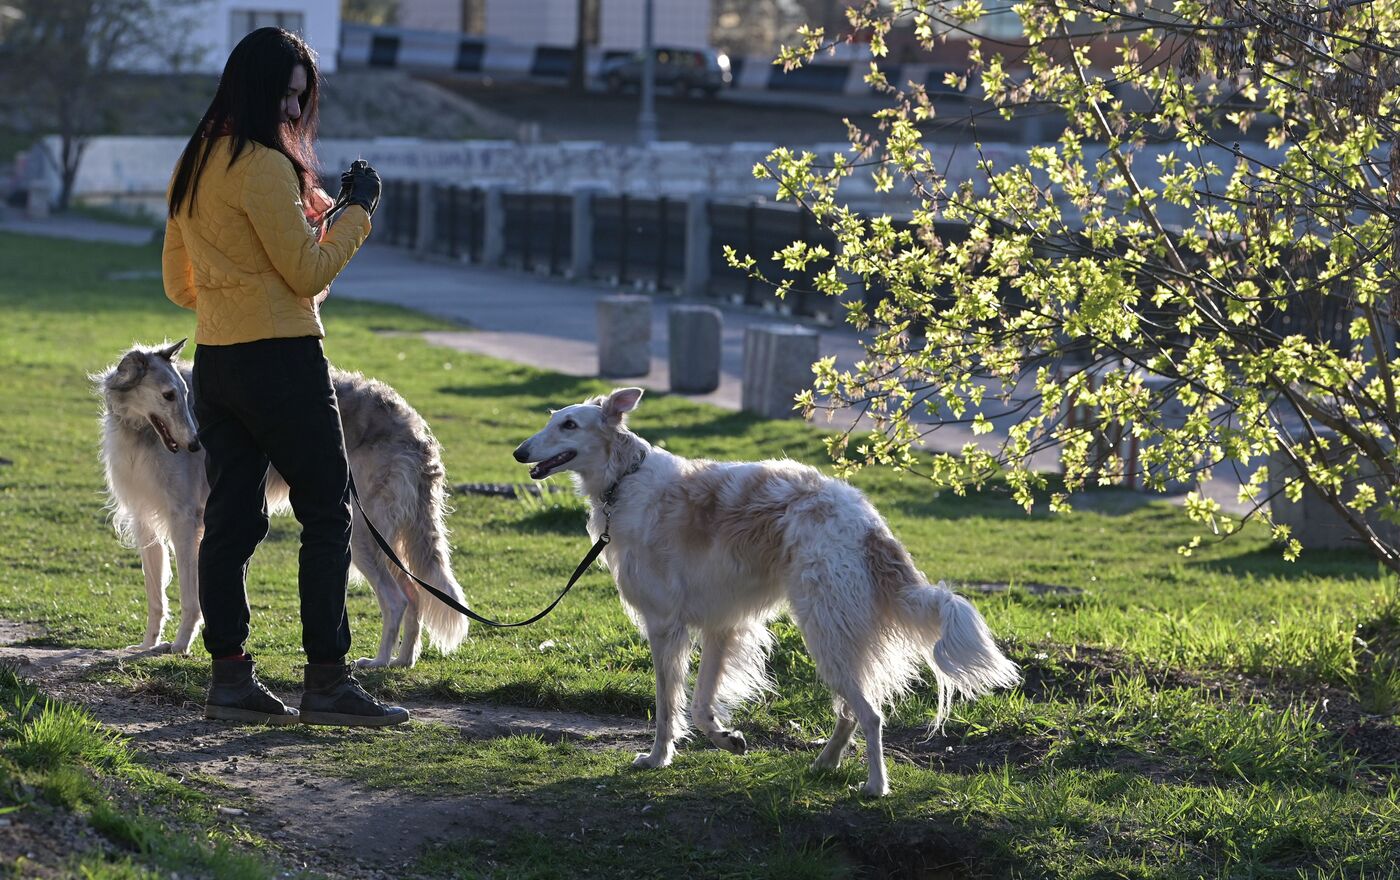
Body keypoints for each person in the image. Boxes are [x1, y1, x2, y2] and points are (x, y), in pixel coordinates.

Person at [162, 26, 407, 727]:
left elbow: (183, 287)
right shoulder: (264, 167)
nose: (295, 113)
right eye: (287, 97)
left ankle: (229, 679)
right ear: (257, 88)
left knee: (231, 522)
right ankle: (327, 682)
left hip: (218, 363)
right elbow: (306, 273)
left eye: (303, 100)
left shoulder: (195, 164)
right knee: (326, 512)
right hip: (283, 361)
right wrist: (356, 213)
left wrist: (256, 271)